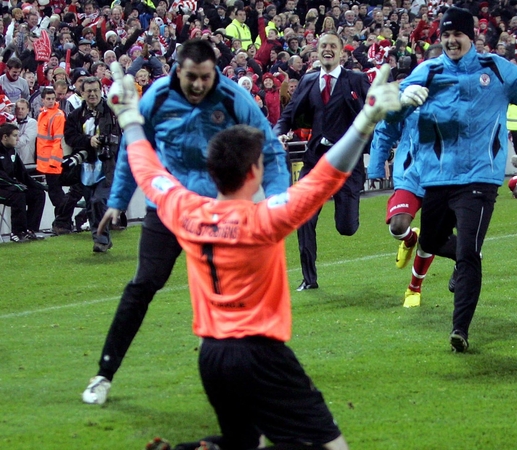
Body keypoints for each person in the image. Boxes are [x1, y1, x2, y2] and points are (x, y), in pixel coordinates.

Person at [113, 61, 398, 450]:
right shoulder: (265, 221)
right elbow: (326, 176)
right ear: (253, 172)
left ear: (212, 173)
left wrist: (130, 117)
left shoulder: (184, 210)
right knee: (333, 447)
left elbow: (146, 168)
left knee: (245, 443)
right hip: (260, 355)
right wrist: (366, 119)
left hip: (211, 356)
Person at [81, 39, 289, 405]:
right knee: (142, 285)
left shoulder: (233, 99)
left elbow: (269, 149)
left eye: (205, 78)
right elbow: (136, 148)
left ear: (215, 73)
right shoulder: (158, 97)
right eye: (191, 77)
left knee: (232, 298)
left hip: (218, 213)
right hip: (168, 209)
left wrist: (277, 199)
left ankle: (251, 381)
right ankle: (104, 374)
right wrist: (116, 200)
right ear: (178, 70)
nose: (197, 85)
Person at [386, 6, 517, 352]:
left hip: (479, 178)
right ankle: (455, 262)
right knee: (431, 242)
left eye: (457, 34)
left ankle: (460, 329)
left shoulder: (496, 68)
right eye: (445, 35)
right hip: (437, 177)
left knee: (468, 253)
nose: (450, 40)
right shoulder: (428, 71)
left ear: (471, 37)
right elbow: (391, 113)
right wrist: (403, 102)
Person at [274, 32, 372, 292]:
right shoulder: (307, 81)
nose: (327, 50)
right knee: (302, 215)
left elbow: (373, 113)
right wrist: (275, 136)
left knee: (346, 227)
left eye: (332, 46)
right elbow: (288, 115)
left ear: (342, 53)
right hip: (315, 161)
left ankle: (348, 213)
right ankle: (309, 278)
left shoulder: (357, 80)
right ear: (316, 52)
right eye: (323, 46)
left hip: (347, 166)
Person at [367, 44, 444, 309]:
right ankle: (410, 238)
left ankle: (414, 288)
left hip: (443, 177)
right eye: (432, 65)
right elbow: (385, 129)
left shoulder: (458, 95)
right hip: (410, 174)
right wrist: (376, 167)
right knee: (397, 226)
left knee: (433, 236)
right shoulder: (408, 92)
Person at [62, 77, 122, 252]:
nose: (92, 94)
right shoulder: (75, 115)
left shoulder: (112, 112)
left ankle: (101, 239)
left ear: (101, 90)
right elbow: (70, 137)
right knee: (90, 204)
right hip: (86, 167)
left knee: (98, 200)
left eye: (95, 90)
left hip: (108, 164)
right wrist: (89, 141)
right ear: (82, 93)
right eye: (88, 91)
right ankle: (101, 239)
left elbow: (119, 137)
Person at [35, 87, 77, 236]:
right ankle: (63, 222)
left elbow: (57, 140)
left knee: (56, 194)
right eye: (48, 99)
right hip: (46, 162)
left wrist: (53, 161)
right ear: (43, 100)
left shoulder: (57, 115)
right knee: (55, 194)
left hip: (53, 162)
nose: (51, 101)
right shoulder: (43, 114)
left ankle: (63, 222)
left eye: (53, 98)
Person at [0, 123, 45, 242]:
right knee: (18, 195)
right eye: (15, 136)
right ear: (5, 137)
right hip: (3, 188)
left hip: (10, 187)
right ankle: (17, 232)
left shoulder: (12, 151)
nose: (18, 139)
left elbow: (22, 174)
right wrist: (15, 185)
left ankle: (30, 230)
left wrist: (39, 186)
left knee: (38, 194)